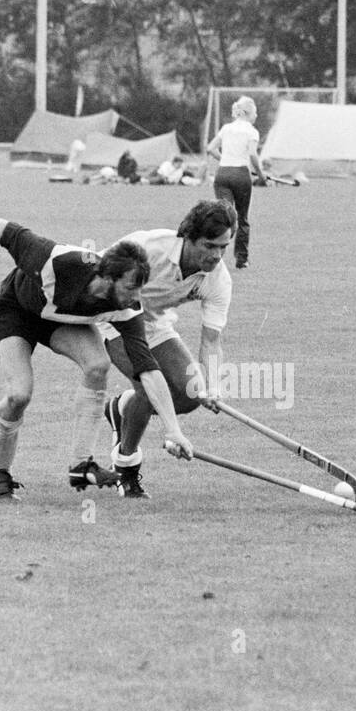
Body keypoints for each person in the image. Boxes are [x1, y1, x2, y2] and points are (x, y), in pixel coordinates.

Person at [0, 220, 195, 501]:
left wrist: (174, 431)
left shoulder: (128, 309)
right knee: (18, 395)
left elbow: (148, 369)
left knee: (97, 365)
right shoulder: (58, 261)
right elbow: (0, 228)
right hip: (16, 309)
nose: (136, 297)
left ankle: (81, 465)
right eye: (130, 287)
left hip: (60, 322)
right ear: (108, 277)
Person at [99, 199, 235, 498]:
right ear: (188, 237)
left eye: (223, 247)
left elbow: (211, 340)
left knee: (191, 394)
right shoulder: (148, 248)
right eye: (209, 246)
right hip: (114, 318)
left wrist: (213, 387)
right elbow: (98, 272)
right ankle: (126, 466)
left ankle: (122, 408)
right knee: (148, 390)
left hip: (154, 325)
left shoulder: (218, 280)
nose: (216, 255)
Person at [206, 96, 265, 269]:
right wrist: (261, 174)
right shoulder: (252, 131)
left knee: (223, 217)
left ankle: (212, 253)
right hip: (240, 175)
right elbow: (253, 154)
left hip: (222, 174)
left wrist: (225, 159)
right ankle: (241, 259)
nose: (256, 115)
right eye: (255, 112)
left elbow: (210, 148)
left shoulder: (226, 128)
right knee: (242, 218)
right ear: (247, 113)